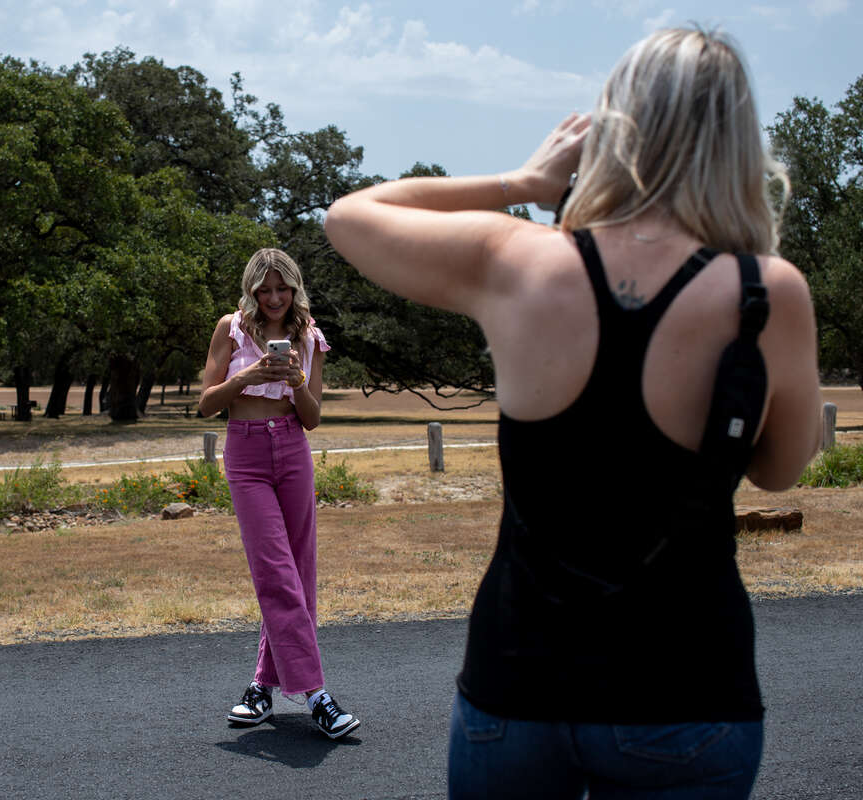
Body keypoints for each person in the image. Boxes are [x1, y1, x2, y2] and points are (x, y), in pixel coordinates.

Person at [324, 26, 822, 799]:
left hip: (517, 683)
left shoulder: (518, 259)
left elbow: (350, 216)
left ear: (616, 125)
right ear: (733, 142)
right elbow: (780, 471)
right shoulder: (766, 294)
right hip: (687, 687)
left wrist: (521, 178)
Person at [198, 247, 361, 740]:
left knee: (298, 573)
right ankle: (317, 695)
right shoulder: (230, 328)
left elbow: (312, 418)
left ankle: (260, 690)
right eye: (264, 289)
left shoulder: (309, 337)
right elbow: (206, 404)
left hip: (292, 451)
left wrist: (296, 383)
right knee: (275, 573)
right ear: (251, 290)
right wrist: (247, 376)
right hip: (246, 457)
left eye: (282, 288)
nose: (273, 298)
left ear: (295, 288)